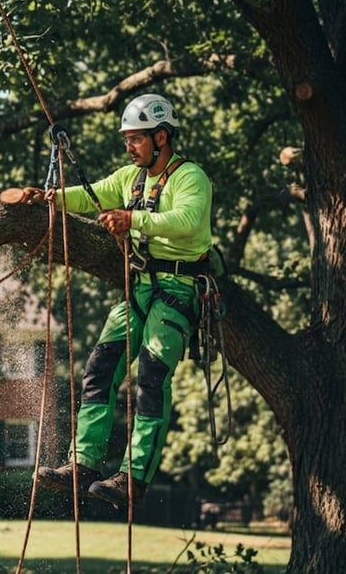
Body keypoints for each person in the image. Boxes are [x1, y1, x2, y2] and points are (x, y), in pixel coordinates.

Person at [28, 93, 214, 506]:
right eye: (127, 139)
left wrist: (132, 219)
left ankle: (133, 477)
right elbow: (88, 194)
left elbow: (188, 221)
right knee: (99, 367)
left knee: (151, 376)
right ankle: (83, 463)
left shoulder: (190, 177)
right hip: (141, 288)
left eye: (136, 139)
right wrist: (47, 197)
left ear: (161, 137)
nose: (129, 147)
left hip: (179, 288)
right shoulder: (129, 178)